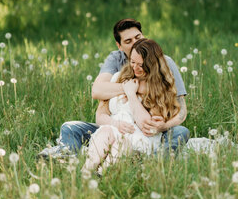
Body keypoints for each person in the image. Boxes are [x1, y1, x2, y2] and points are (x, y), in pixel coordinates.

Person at [40, 18, 189, 158]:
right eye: (128, 41)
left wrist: (163, 126)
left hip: (150, 131)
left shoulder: (164, 62)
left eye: (138, 37)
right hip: (117, 128)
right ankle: (66, 154)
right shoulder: (116, 61)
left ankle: (152, 162)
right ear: (119, 46)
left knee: (180, 132)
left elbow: (181, 109)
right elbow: (97, 91)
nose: (136, 43)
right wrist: (131, 89)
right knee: (71, 127)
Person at [82, 39, 181, 174]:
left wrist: (132, 94)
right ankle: (85, 173)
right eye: (132, 62)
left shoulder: (159, 89)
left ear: (152, 64)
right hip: (114, 129)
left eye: (141, 65)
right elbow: (100, 116)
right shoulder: (119, 78)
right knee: (105, 132)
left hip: (139, 139)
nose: (135, 68)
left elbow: (147, 126)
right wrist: (115, 123)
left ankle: (102, 175)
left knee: (122, 143)